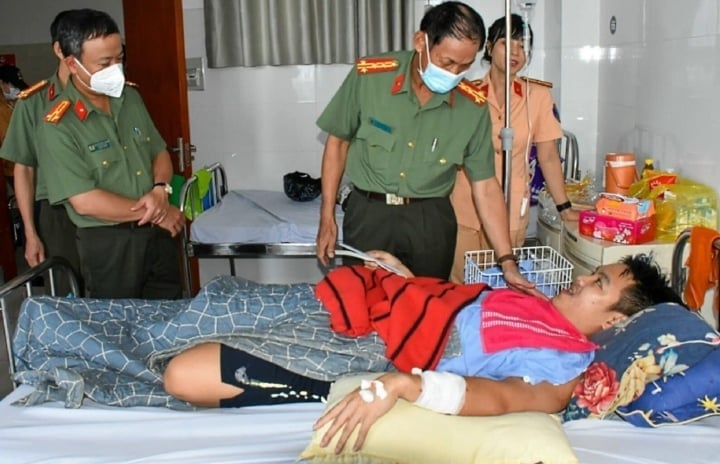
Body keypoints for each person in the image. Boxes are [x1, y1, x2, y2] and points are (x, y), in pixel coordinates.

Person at [163, 251, 682, 441]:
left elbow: (504, 399)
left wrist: (411, 385)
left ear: (616, 319)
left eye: (599, 283)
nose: (581, 280)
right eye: (592, 271)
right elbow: (458, 303)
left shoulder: (568, 365)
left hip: (369, 347)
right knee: (216, 302)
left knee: (183, 373)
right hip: (379, 305)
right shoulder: (536, 302)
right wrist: (406, 280)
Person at [313, 2, 535, 294]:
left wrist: (507, 261)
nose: (455, 73)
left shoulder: (472, 107)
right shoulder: (370, 77)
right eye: (446, 62)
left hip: (430, 222)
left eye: (465, 66)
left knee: (427, 306)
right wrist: (327, 216)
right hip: (369, 214)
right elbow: (337, 143)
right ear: (421, 42)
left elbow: (485, 186)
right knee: (363, 301)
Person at [34, 8, 185, 299]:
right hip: (109, 245)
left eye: (120, 58)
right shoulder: (58, 125)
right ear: (73, 64)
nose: (116, 69)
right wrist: (158, 213)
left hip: (157, 236)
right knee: (117, 330)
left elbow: (159, 152)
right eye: (105, 63)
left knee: (169, 317)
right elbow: (85, 202)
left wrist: (160, 189)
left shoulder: (130, 98)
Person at [449, 14, 579, 284]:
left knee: (500, 288)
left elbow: (549, 157)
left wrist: (564, 208)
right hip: (465, 207)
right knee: (461, 288)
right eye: (508, 44)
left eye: (523, 46)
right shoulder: (465, 93)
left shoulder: (537, 97)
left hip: (509, 210)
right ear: (489, 47)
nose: (516, 52)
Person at [0, 11, 82, 289]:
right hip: (58, 212)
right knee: (66, 291)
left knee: (113, 293)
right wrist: (30, 233)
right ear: (59, 49)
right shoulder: (33, 103)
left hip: (109, 208)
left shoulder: (113, 97)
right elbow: (23, 169)